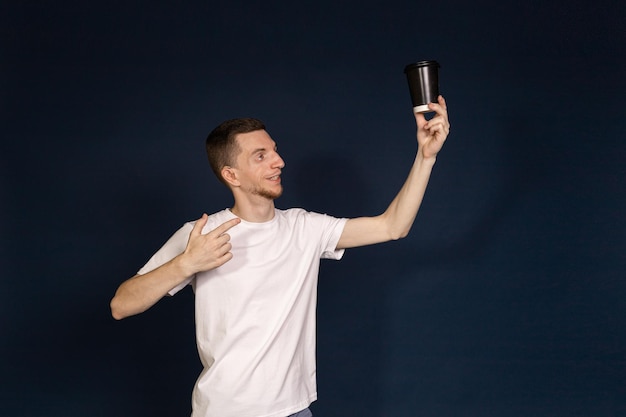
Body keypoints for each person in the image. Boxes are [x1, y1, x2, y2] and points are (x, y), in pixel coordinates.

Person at [110, 96, 450, 417]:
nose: (278, 161)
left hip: (294, 410)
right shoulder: (200, 235)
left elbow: (392, 227)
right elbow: (121, 305)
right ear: (231, 175)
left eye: (274, 151)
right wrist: (186, 263)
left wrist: (426, 156)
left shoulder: (304, 228)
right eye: (260, 156)